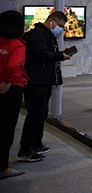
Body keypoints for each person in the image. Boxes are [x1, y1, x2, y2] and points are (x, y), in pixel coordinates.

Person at [18, 11, 70, 162]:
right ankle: (25, 150)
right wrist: (60, 56)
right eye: (60, 26)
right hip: (36, 81)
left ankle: (36, 144)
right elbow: (41, 54)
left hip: (44, 80)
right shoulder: (38, 34)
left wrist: (60, 54)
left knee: (41, 113)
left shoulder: (47, 35)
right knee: (35, 114)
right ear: (52, 21)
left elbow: (46, 54)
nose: (60, 29)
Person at [0, 10, 29, 179]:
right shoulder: (17, 45)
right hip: (11, 88)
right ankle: (2, 168)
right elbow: (13, 66)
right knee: (7, 128)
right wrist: (7, 81)